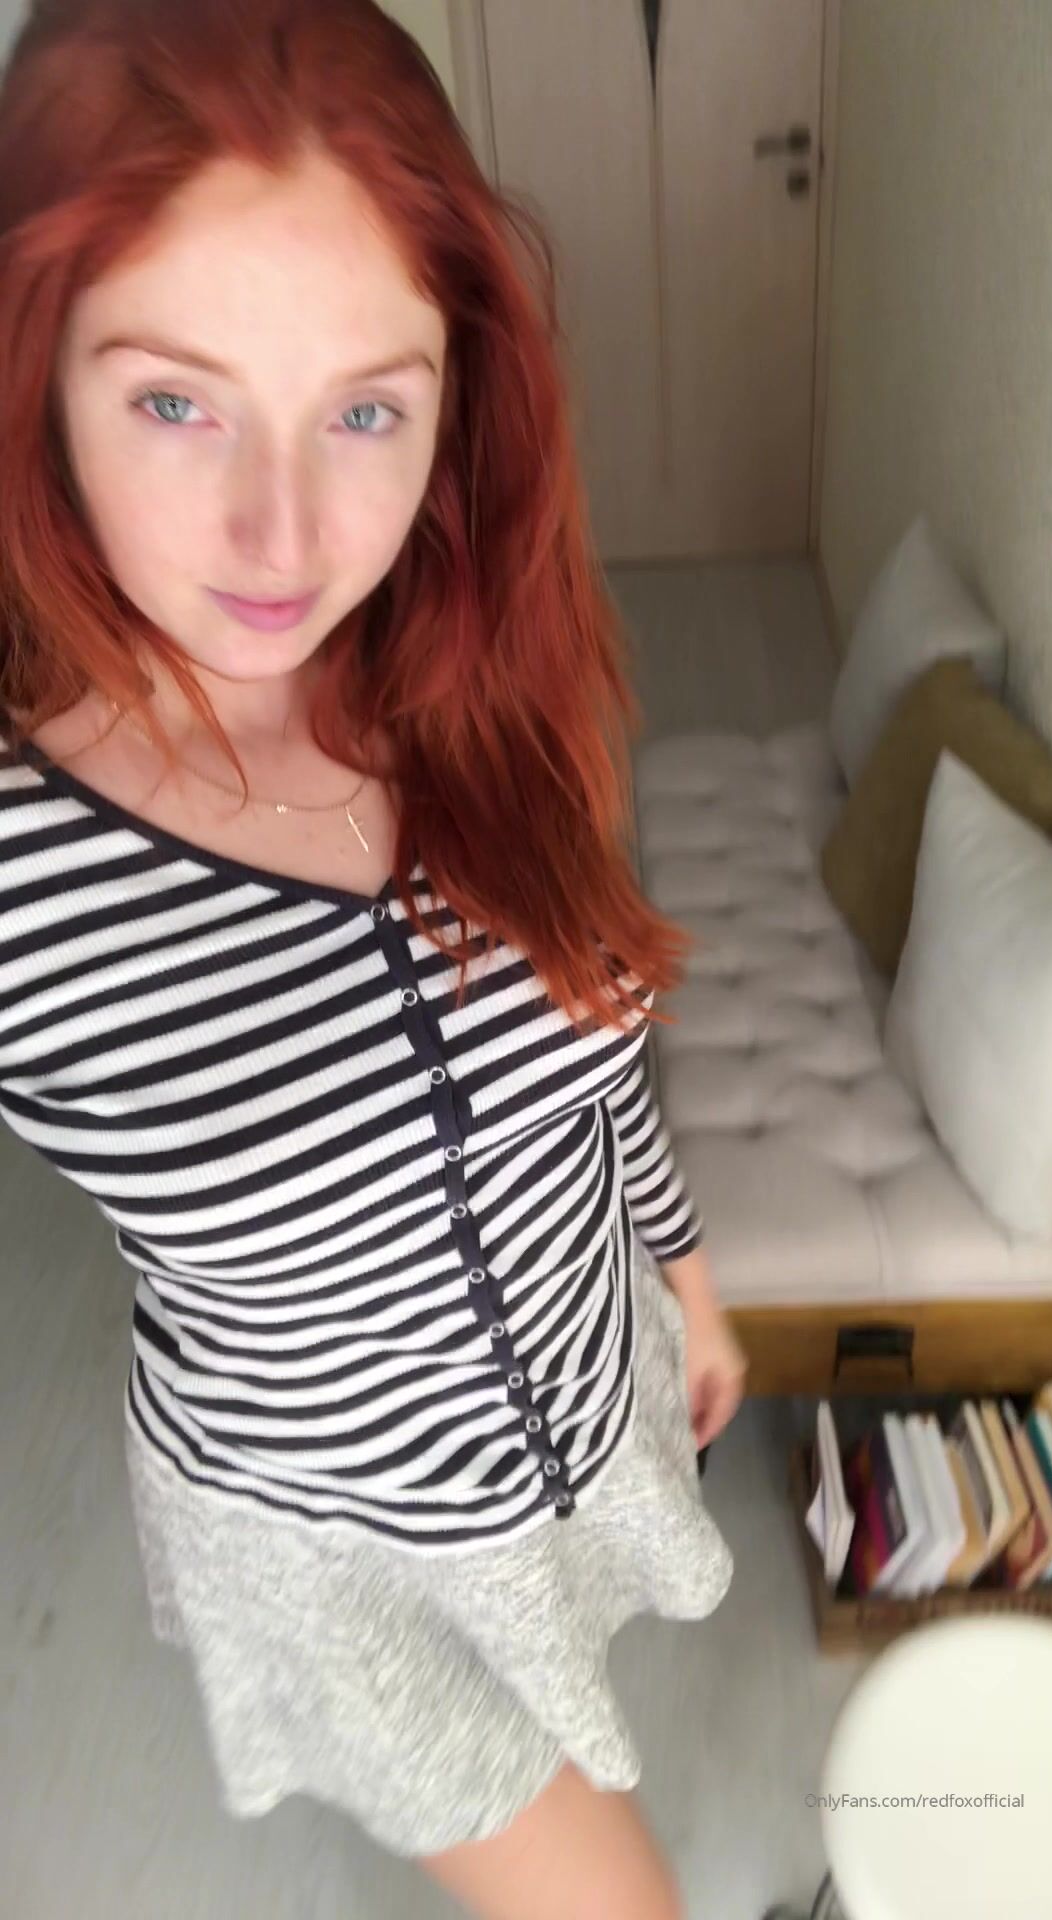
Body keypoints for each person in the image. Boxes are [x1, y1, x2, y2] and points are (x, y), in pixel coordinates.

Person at [0, 3, 746, 1915]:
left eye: (365, 409)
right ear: (35, 373)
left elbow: (595, 1059)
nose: (287, 534)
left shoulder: (481, 674)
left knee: (585, 1714)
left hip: (591, 1401)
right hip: (325, 1552)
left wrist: (684, 1280)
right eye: (176, 402)